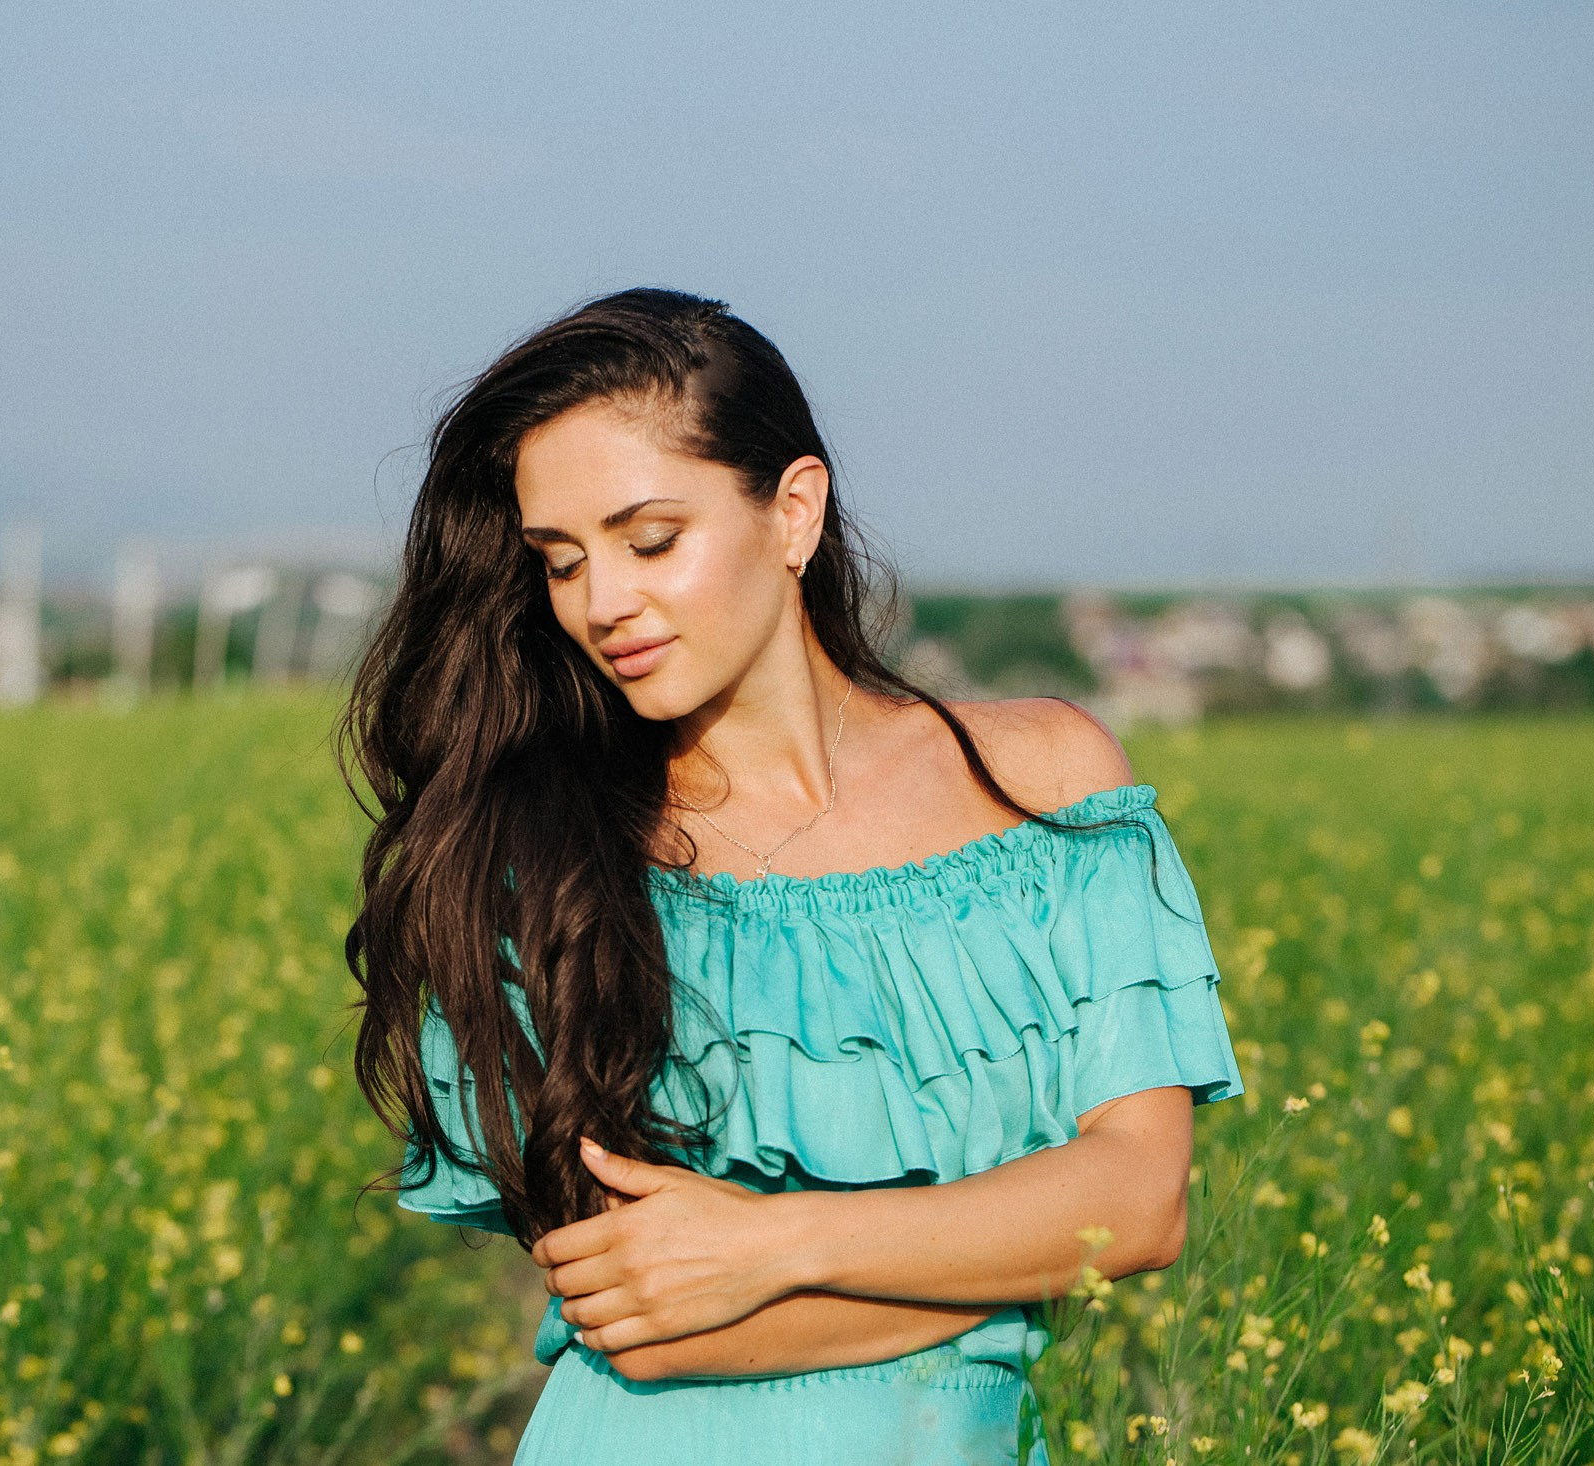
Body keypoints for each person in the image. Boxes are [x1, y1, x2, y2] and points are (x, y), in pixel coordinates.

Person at [341, 287, 1244, 1464]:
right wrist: (1012, 1252)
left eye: (649, 538)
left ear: (794, 512)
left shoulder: (1047, 780)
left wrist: (777, 1244)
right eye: (560, 562)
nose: (604, 601)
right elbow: (647, 1319)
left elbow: (1140, 1200)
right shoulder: (547, 867)